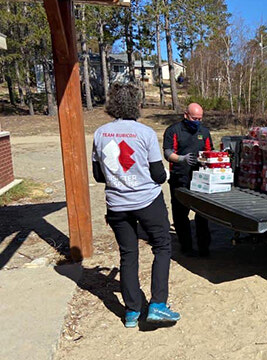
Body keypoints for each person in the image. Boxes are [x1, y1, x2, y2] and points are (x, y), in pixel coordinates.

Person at [92, 82, 181, 328]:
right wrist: (159, 174)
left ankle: (131, 311)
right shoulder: (145, 133)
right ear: (137, 105)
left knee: (128, 254)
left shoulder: (100, 134)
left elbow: (98, 175)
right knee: (162, 246)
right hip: (147, 201)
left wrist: (119, 177)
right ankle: (158, 304)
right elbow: (157, 174)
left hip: (117, 204)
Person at [163, 103, 213, 256]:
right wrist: (181, 159)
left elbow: (210, 151)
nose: (197, 121)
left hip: (200, 178)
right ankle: (186, 247)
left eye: (199, 118)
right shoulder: (174, 130)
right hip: (180, 178)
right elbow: (167, 152)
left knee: (203, 214)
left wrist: (208, 160)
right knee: (180, 215)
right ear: (186, 115)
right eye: (194, 118)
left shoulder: (204, 131)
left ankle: (204, 248)